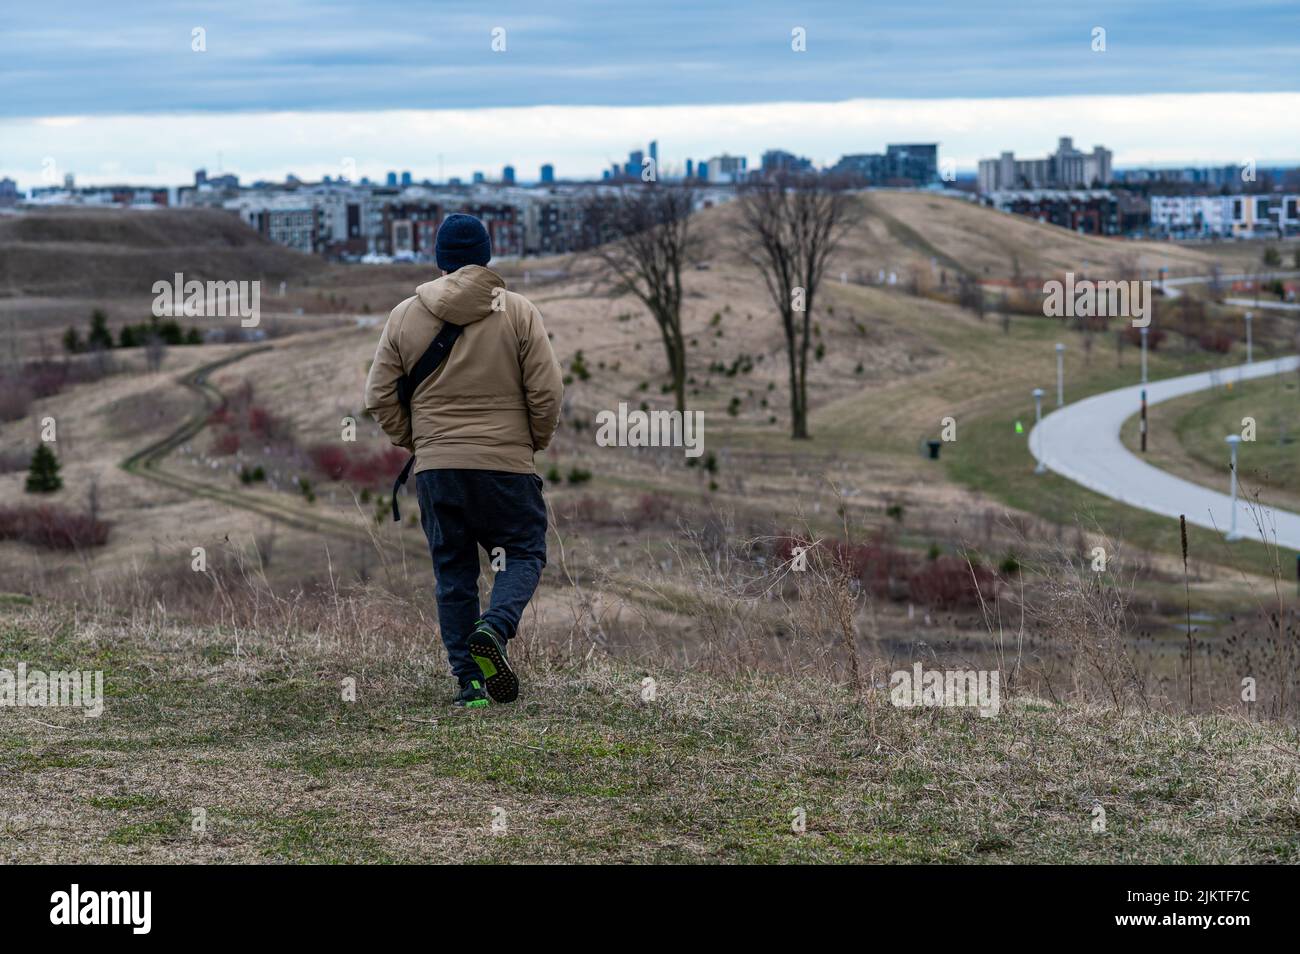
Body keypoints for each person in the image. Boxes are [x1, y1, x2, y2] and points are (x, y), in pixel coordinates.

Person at [364, 213, 563, 708]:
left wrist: (420, 442)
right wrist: (529, 443)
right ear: (486, 254)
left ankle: (469, 685)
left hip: (438, 470)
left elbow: (378, 395)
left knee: (453, 571)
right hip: (506, 467)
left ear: (439, 259)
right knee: (523, 551)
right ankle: (494, 628)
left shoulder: (404, 314)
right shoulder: (517, 311)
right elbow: (547, 391)